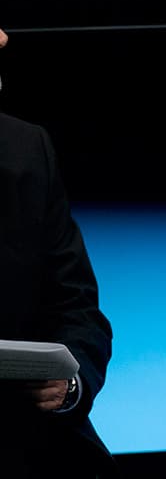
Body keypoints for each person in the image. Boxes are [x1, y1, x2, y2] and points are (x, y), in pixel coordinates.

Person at [0, 27, 118, 478]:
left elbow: (80, 312)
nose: (5, 39)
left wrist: (69, 385)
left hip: (23, 436)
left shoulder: (28, 151)